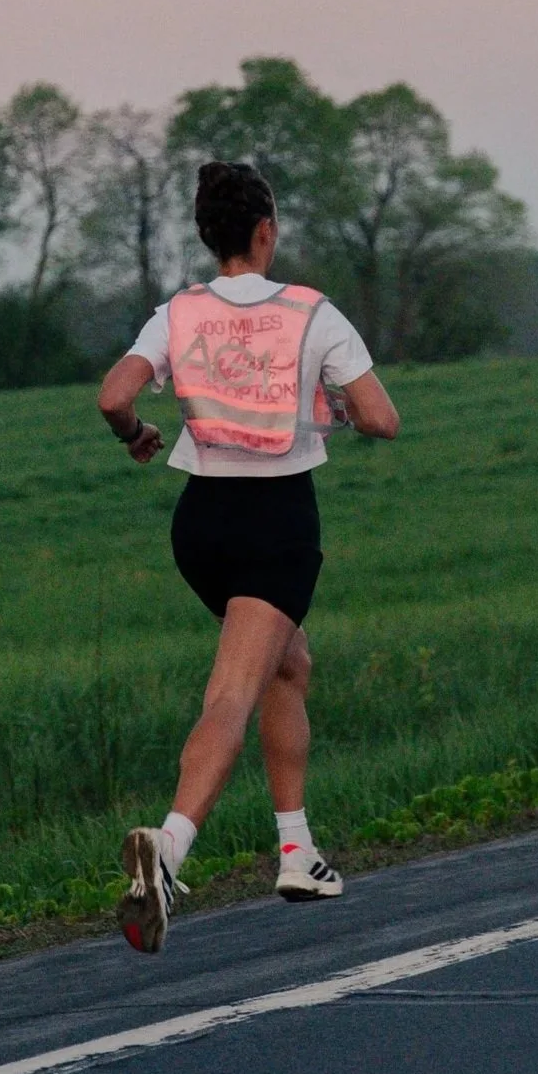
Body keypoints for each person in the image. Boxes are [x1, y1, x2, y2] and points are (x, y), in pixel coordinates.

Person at [96, 159, 400, 952]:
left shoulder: (178, 313)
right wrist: (326, 404)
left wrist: (137, 438)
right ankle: (165, 849)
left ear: (209, 235)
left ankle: (297, 849)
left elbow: (112, 396)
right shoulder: (311, 314)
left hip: (199, 525)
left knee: (287, 662)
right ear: (265, 232)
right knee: (232, 692)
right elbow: (382, 418)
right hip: (275, 522)